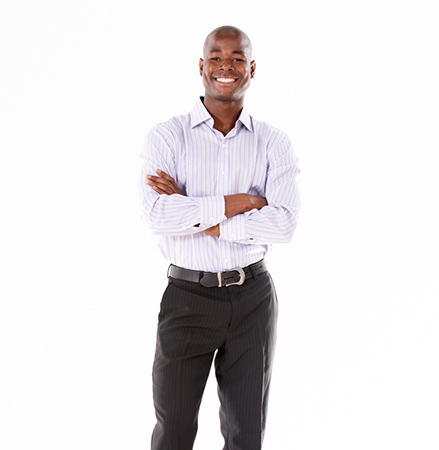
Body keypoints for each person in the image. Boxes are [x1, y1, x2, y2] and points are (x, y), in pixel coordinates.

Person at [139, 25, 300, 450]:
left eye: (236, 58)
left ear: (252, 69)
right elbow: (158, 214)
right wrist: (241, 202)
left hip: (253, 299)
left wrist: (199, 213)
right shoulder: (167, 137)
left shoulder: (273, 143)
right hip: (187, 298)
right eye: (216, 57)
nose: (225, 67)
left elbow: (283, 224)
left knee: (246, 433)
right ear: (201, 66)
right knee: (173, 431)